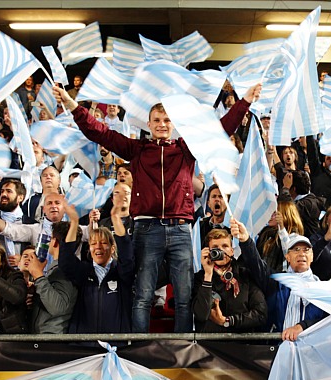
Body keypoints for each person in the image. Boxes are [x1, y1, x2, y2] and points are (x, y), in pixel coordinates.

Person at [53, 81, 261, 333]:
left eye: (166, 120)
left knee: (184, 297)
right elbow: (100, 132)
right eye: (157, 120)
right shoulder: (137, 149)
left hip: (180, 230)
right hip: (146, 228)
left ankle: (182, 348)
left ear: (173, 125)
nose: (162, 124)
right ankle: (139, 347)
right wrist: (71, 104)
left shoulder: (186, 148)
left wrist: (245, 101)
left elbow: (220, 129)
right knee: (142, 295)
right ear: (149, 125)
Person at [58, 203, 135, 333]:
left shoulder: (121, 272)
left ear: (112, 248)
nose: (98, 247)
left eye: (103, 243)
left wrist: (115, 218)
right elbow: (65, 261)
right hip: (84, 345)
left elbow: (127, 254)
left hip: (115, 345)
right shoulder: (83, 272)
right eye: (93, 243)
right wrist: (74, 222)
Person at [240, 228, 326, 340]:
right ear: (287, 257)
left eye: (306, 250)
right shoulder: (276, 281)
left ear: (312, 256)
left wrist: (303, 326)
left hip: (310, 350)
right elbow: (255, 263)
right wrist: (246, 240)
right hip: (275, 349)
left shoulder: (323, 288)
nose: (301, 254)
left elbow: (327, 320)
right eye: (296, 249)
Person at [192, 227, 267, 332]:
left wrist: (228, 321)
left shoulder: (246, 275)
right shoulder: (200, 278)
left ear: (232, 251)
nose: (220, 250)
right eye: (215, 247)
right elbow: (201, 315)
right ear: (208, 252)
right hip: (210, 345)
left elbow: (260, 315)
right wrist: (208, 275)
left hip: (242, 343)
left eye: (225, 246)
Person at [16, 221, 77, 334]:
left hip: (51, 341)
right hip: (45, 338)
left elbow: (58, 307)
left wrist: (38, 276)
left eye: (51, 237)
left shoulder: (64, 270)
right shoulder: (57, 268)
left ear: (54, 242)